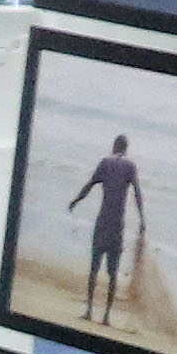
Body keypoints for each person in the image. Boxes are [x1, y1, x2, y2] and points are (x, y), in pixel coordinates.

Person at [67, 131, 145, 317]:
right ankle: (106, 315)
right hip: (117, 224)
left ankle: (89, 310)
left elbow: (90, 185)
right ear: (125, 149)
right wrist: (142, 219)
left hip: (103, 221)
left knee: (94, 267)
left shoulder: (105, 163)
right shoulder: (130, 166)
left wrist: (76, 201)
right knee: (113, 271)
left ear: (114, 146)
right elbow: (137, 193)